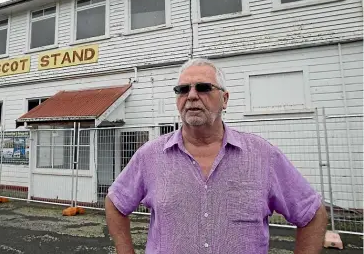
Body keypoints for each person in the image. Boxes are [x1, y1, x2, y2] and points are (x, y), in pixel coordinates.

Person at [105, 58, 328, 254]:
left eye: (203, 88)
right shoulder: (150, 156)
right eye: (183, 90)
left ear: (225, 99)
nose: (191, 96)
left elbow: (312, 214)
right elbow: (116, 202)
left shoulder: (262, 156)